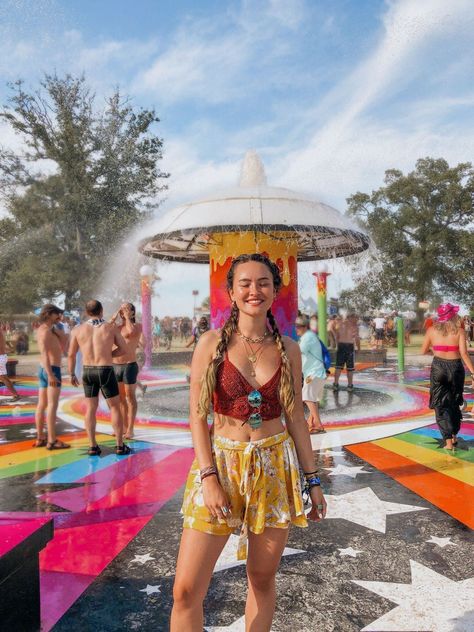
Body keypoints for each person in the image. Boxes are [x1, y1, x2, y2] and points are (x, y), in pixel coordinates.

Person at [171, 253, 326, 632]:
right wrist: (208, 477)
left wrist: (313, 480)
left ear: (275, 292)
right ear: (231, 292)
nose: (254, 290)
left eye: (263, 283)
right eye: (245, 283)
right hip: (221, 466)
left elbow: (295, 420)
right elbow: (197, 416)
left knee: (260, 577)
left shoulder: (288, 349)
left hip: (274, 468)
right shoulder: (210, 344)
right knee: (186, 590)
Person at [68, 299, 131, 456]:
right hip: (105, 370)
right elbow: (124, 349)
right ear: (101, 310)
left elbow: (71, 355)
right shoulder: (110, 328)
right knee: (115, 407)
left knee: (91, 408)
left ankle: (92, 446)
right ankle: (119, 445)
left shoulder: (78, 330)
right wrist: (109, 355)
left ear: (86, 312)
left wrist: (71, 374)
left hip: (87, 371)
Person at [421, 303, 474, 451]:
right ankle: (455, 436)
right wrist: (473, 373)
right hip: (456, 368)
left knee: (440, 404)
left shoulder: (431, 330)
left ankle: (448, 442)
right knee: (454, 402)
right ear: (454, 316)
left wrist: (436, 352)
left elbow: (423, 350)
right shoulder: (460, 331)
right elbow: (464, 354)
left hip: (438, 367)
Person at [34, 304, 70, 449]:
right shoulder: (45, 332)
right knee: (52, 406)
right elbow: (44, 354)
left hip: (43, 369)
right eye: (57, 314)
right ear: (49, 314)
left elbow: (65, 343)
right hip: (51, 370)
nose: (59, 317)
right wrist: (50, 375)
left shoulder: (49, 330)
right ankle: (52, 440)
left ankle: (40, 437)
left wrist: (59, 328)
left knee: (42, 405)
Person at [110, 302, 145, 440]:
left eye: (126, 308)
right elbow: (104, 332)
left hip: (129, 366)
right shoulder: (117, 327)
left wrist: (127, 317)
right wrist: (112, 319)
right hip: (116, 365)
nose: (122, 310)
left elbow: (131, 332)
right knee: (119, 398)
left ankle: (130, 428)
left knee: (130, 397)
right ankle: (123, 426)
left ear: (132, 312)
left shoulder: (137, 326)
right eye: (121, 308)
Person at [295, 314, 326, 434]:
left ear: (305, 327)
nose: (296, 328)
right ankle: (311, 422)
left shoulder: (307, 337)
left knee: (306, 397)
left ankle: (318, 424)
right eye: (296, 326)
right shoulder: (309, 336)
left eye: (299, 326)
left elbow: (297, 351)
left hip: (314, 373)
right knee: (312, 399)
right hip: (317, 372)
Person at [333, 313, 360, 392]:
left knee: (338, 367)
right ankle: (350, 385)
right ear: (351, 318)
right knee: (350, 368)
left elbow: (337, 337)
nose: (357, 320)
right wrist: (358, 348)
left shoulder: (340, 324)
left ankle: (335, 384)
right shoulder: (354, 326)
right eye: (356, 318)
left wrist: (338, 345)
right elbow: (357, 338)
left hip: (341, 346)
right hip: (349, 346)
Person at [0, 327, 20, 401]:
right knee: (4, 378)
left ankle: (15, 395)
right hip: (2, 356)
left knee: (4, 378)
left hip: (0, 357)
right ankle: (15, 395)